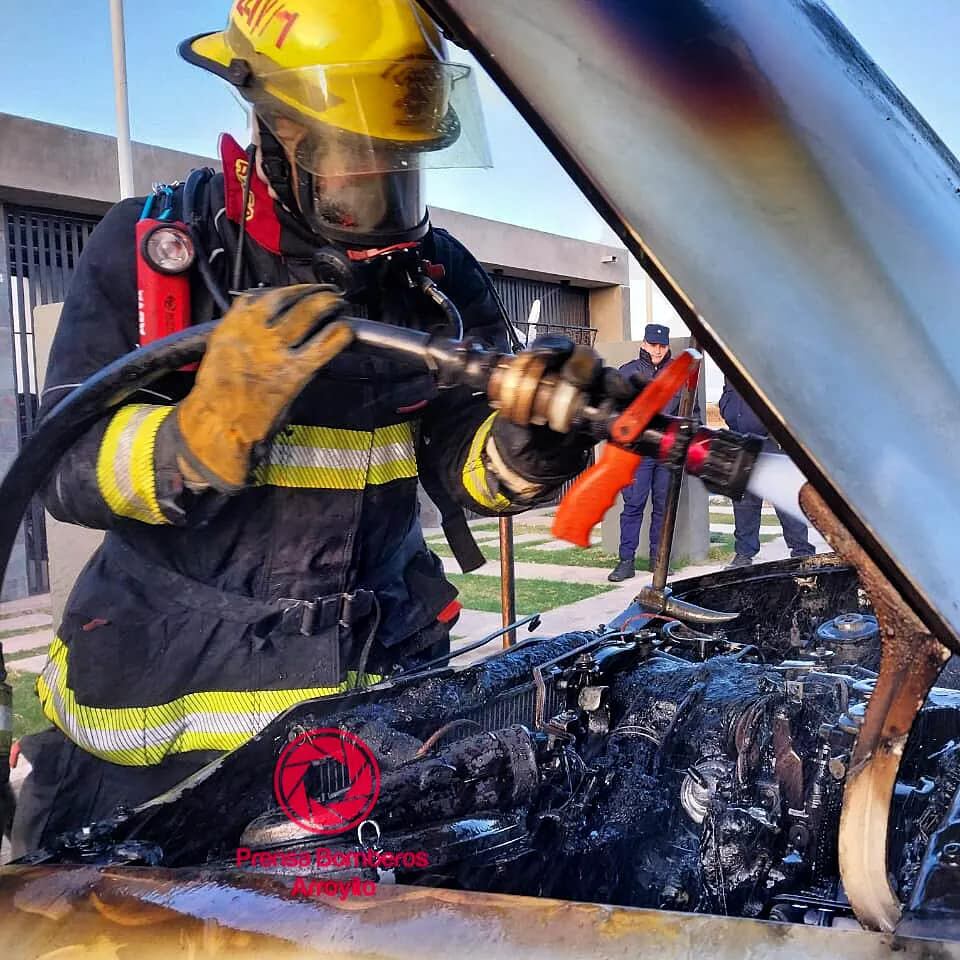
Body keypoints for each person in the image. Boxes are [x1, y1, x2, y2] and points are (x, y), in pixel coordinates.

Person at [10, 0, 598, 856]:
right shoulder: (152, 248)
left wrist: (524, 448)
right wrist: (195, 439)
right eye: (352, 150)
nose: (380, 176)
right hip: (155, 734)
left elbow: (456, 464)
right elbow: (63, 472)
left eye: (397, 155)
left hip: (376, 710)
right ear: (274, 126)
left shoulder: (436, 278)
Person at [608, 323, 699, 582]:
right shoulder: (627, 373)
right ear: (643, 344)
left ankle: (658, 561)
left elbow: (693, 413)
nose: (657, 351)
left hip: (667, 453)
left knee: (663, 506)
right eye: (652, 345)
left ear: (667, 346)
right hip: (638, 453)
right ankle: (626, 561)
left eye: (661, 346)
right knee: (633, 505)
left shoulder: (681, 374)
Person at [718, 378, 815, 568]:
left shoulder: (761, 364)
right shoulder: (731, 370)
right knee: (744, 504)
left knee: (784, 501)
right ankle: (744, 554)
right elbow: (729, 399)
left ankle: (802, 553)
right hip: (742, 442)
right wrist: (726, 408)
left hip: (770, 444)